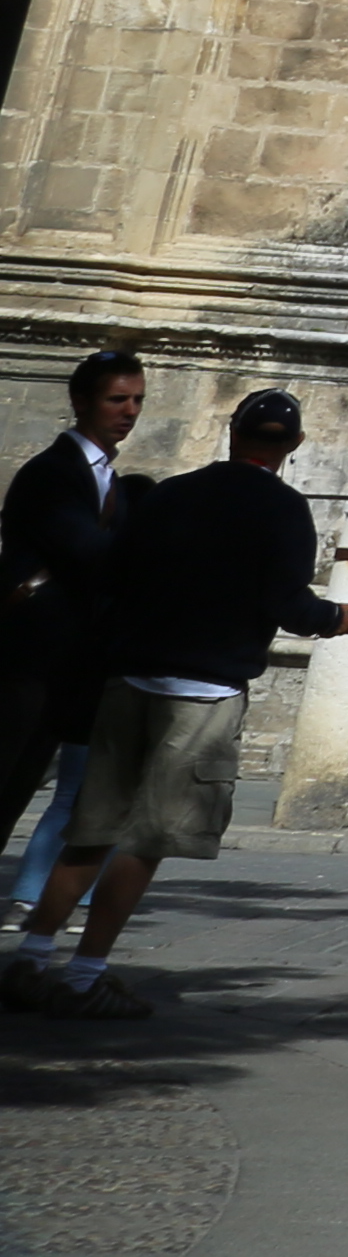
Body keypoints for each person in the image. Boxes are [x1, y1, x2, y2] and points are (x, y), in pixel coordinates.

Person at [6, 389, 348, 1019]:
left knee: (91, 828)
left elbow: (114, 574)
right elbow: (288, 603)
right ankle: (85, 975)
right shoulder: (283, 508)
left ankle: (30, 959)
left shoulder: (172, 494)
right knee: (147, 839)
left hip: (130, 678)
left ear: (233, 431)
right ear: (294, 446)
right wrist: (335, 618)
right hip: (204, 693)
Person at [0, 354, 143, 936]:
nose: (129, 412)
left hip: (71, 665)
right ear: (81, 402)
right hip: (27, 659)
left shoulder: (109, 479)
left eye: (137, 400)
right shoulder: (53, 474)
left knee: (20, 786)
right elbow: (88, 552)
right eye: (117, 399)